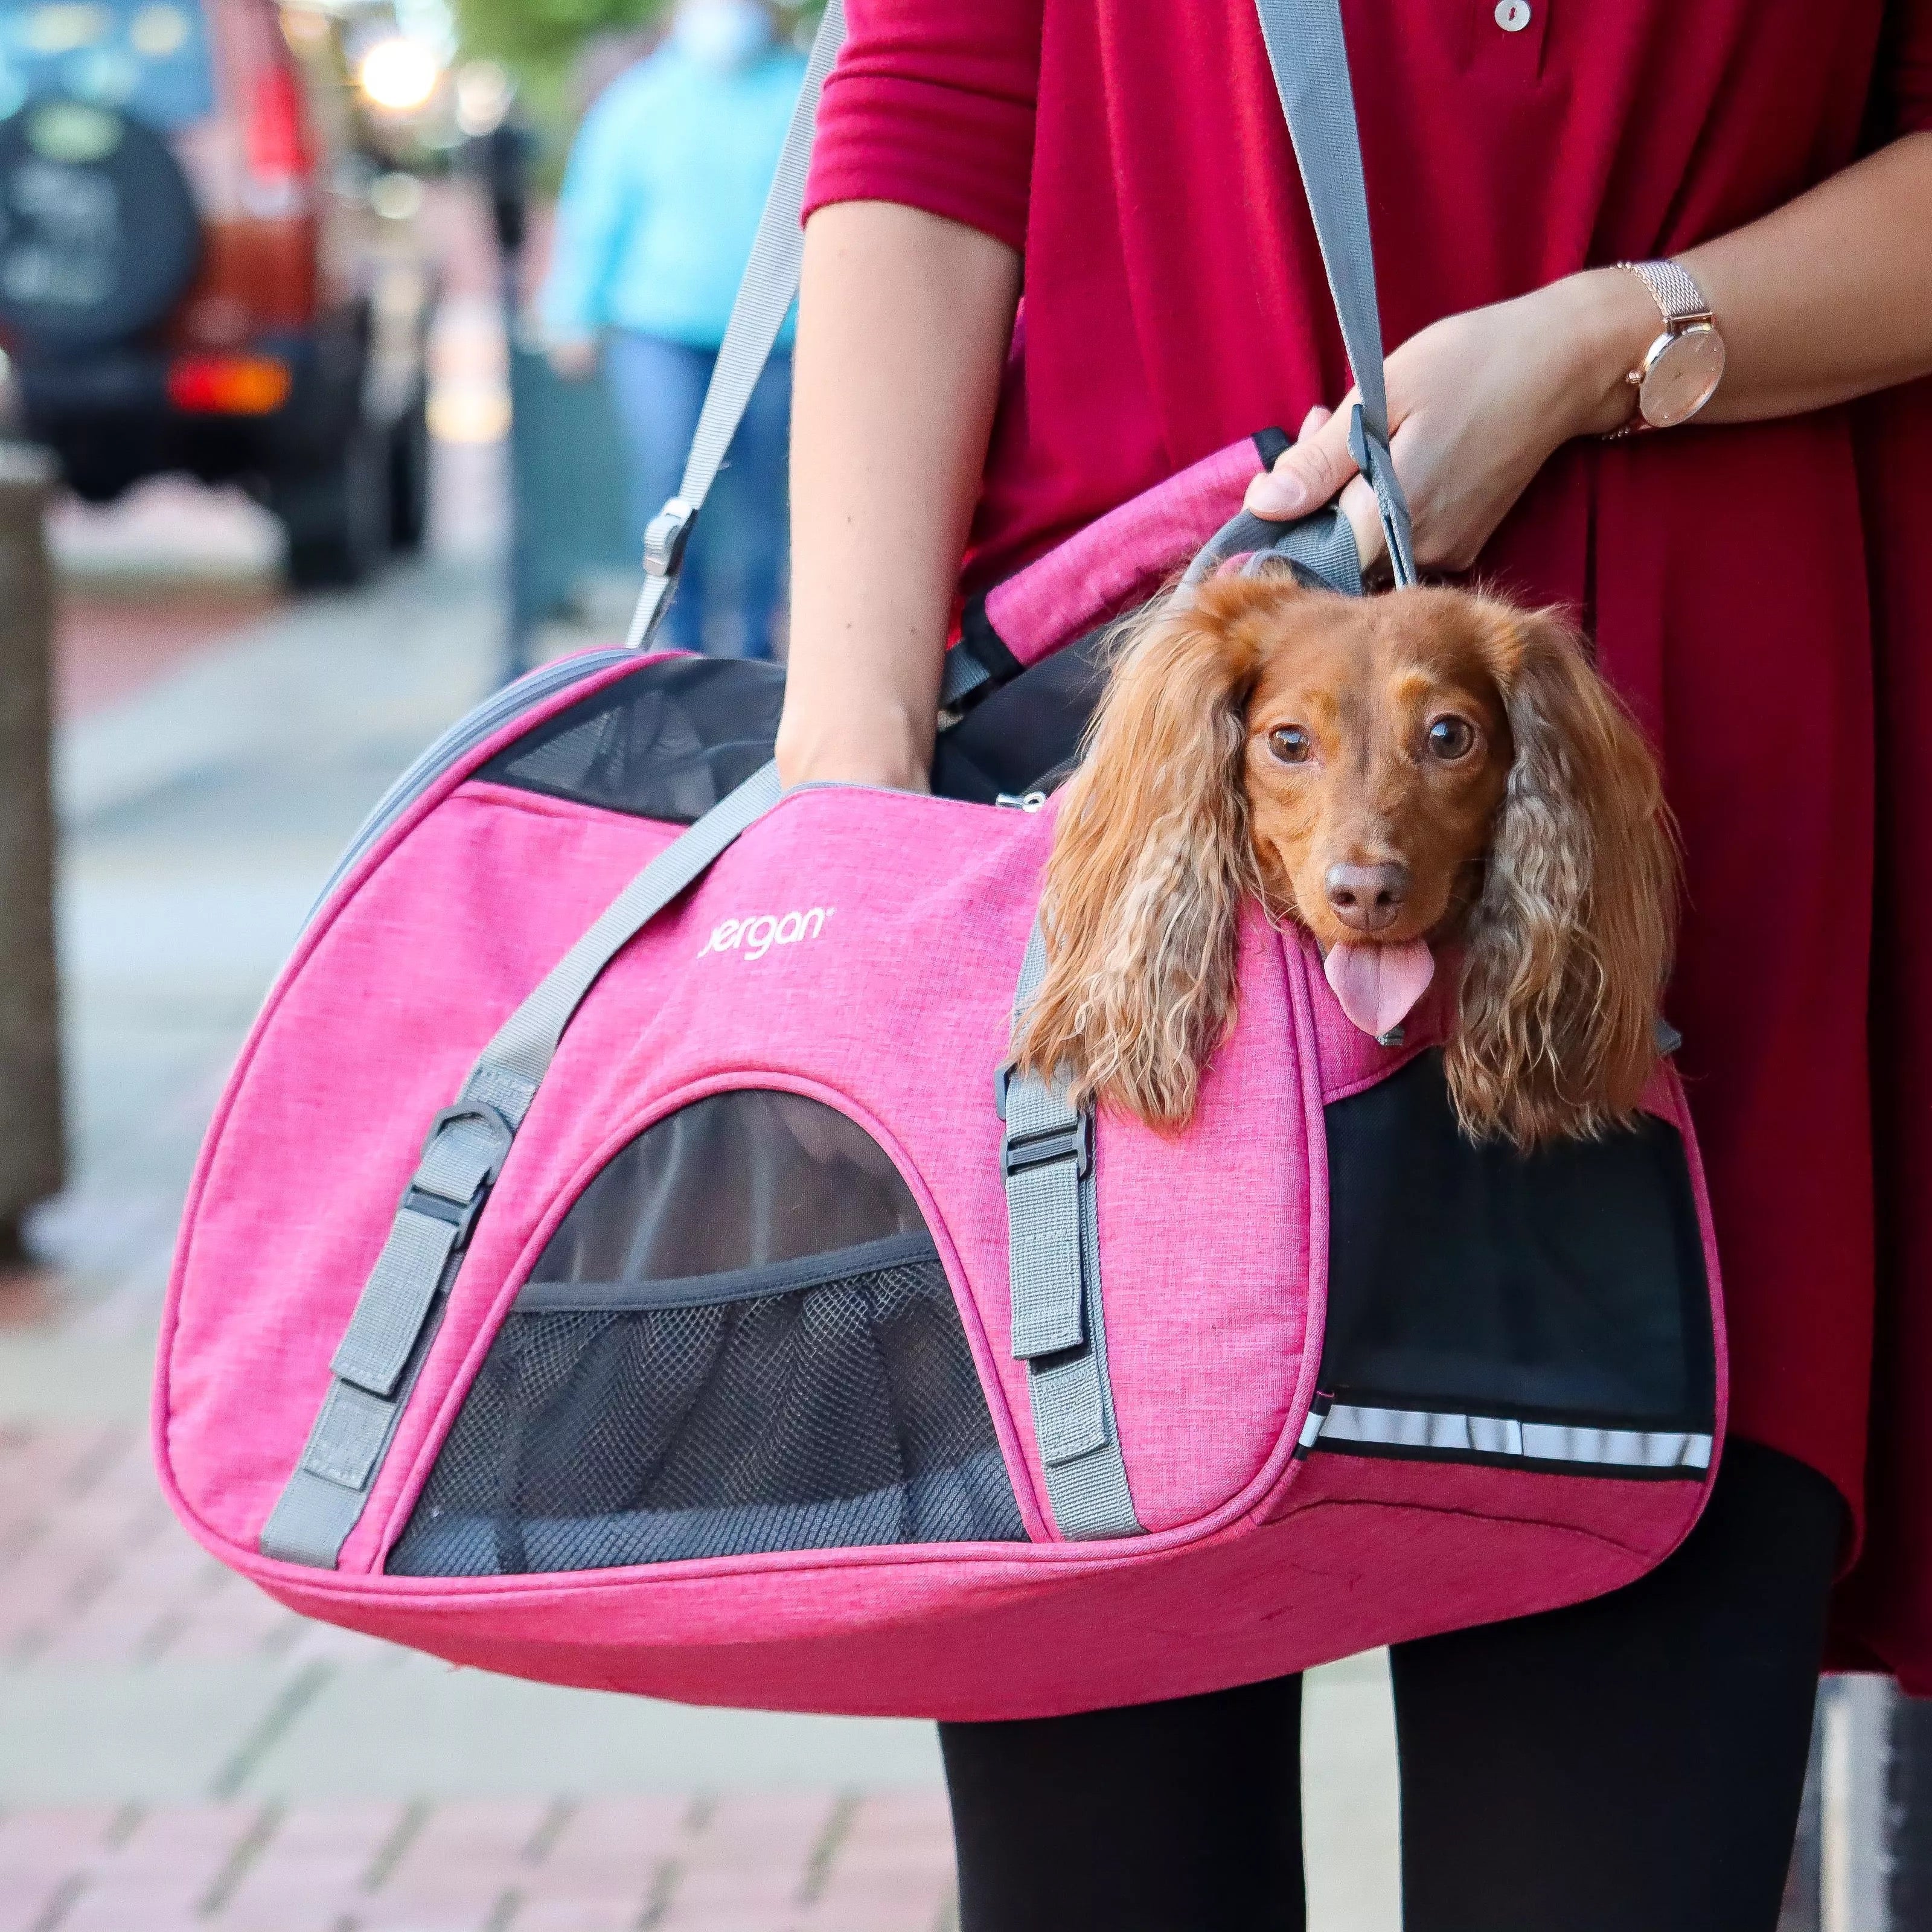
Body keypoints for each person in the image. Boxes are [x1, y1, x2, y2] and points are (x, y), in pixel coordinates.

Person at [772, 2, 1932, 1927]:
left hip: (1700, 840)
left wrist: (1607, 339)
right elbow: (934, 100)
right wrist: (847, 770)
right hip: (1148, 772)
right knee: (1110, 1872)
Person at [539, 0, 804, 659]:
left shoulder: (802, 93)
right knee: (668, 483)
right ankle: (674, 645)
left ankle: (756, 648)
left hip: (775, 335)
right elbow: (597, 210)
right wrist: (573, 310)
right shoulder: (641, 100)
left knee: (765, 495)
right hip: (660, 333)